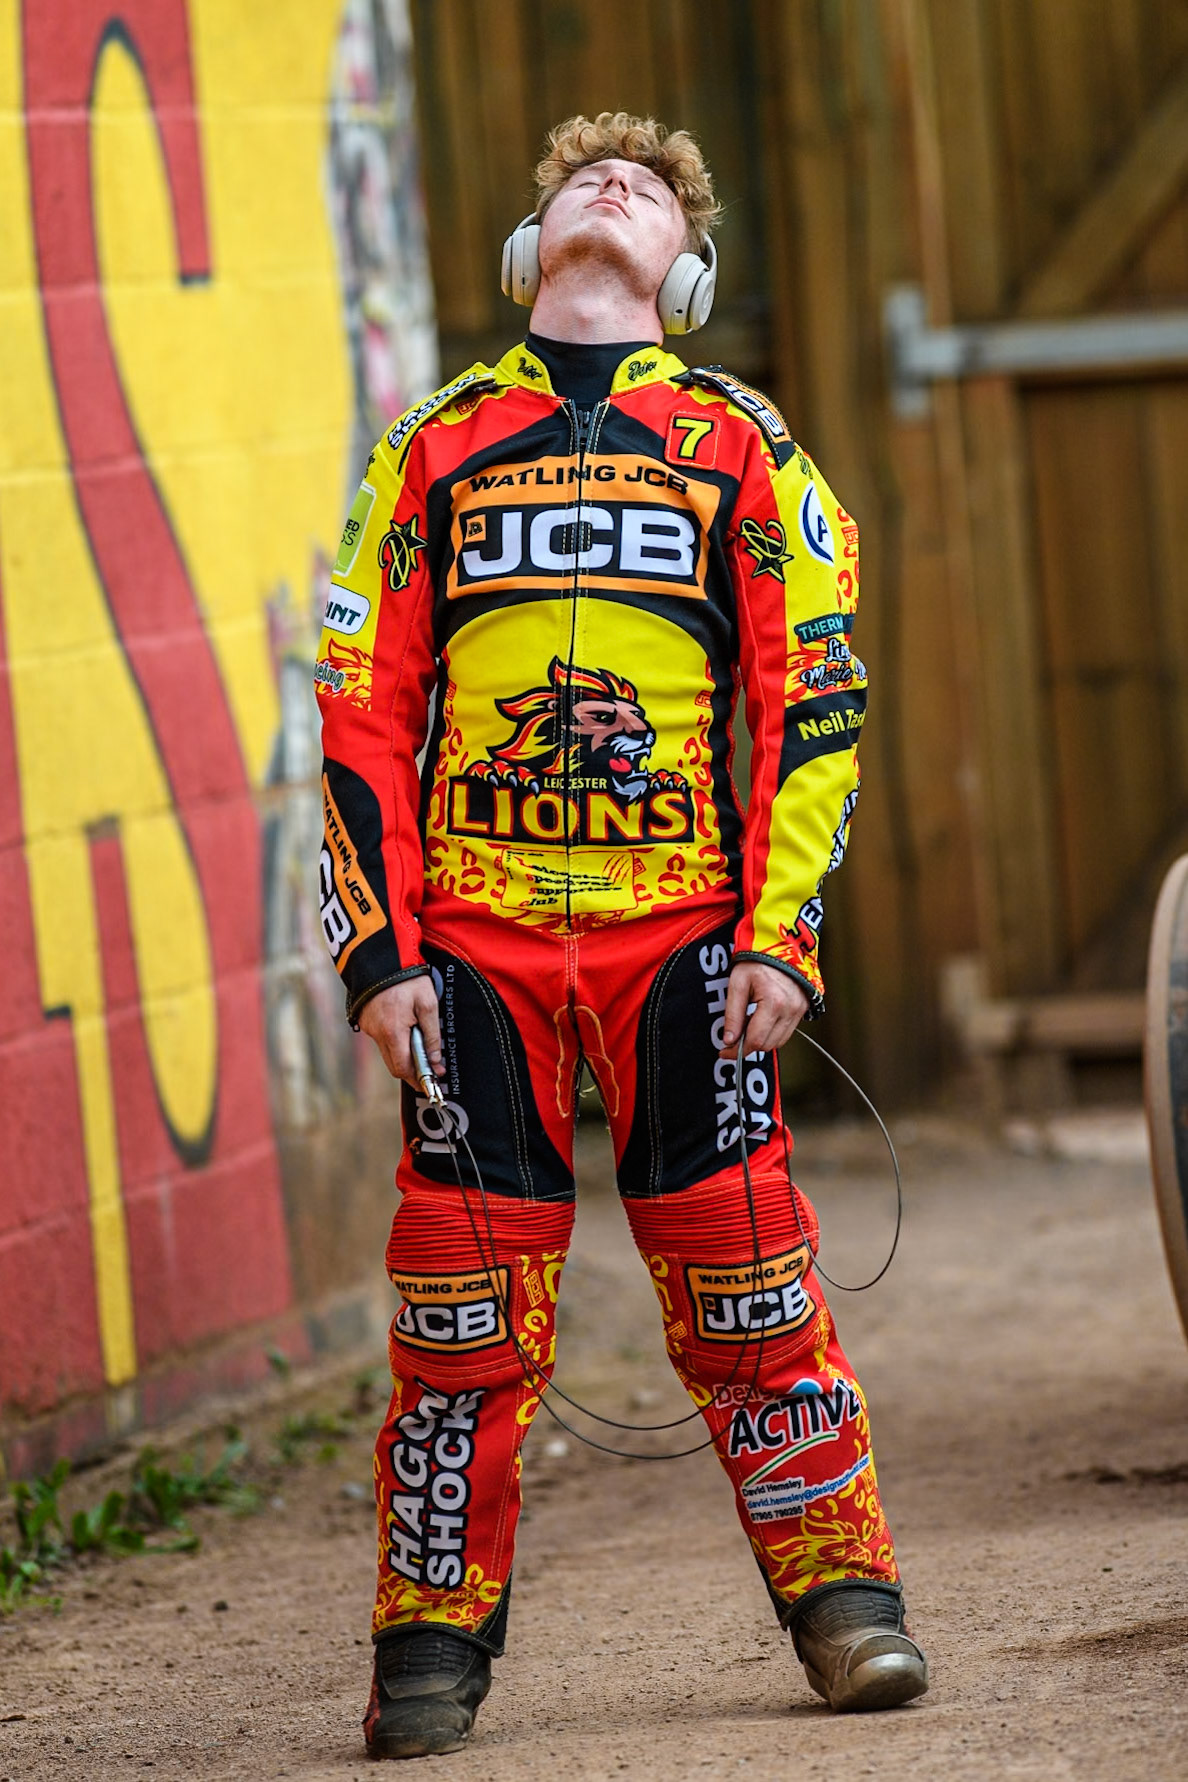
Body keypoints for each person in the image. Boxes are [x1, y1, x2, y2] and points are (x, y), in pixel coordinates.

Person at [315, 110, 928, 1760]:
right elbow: (362, 713)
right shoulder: (429, 444)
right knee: (456, 1311)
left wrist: (784, 935)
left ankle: (848, 1608)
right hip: (472, 958)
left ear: (690, 266)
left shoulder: (744, 443)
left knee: (747, 1283)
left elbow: (816, 701)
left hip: (685, 951)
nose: (613, 190)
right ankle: (428, 1655)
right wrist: (377, 955)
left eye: (650, 188)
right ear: (530, 248)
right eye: (585, 179)